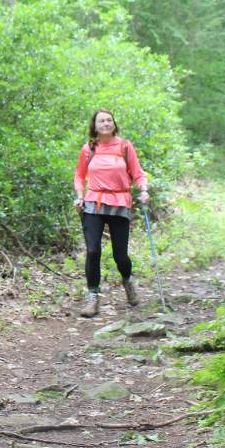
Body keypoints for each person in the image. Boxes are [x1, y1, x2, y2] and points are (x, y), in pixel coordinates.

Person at [73, 109, 149, 317]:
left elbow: (138, 173)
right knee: (93, 250)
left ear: (114, 124)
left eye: (109, 120)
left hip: (120, 202)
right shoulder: (88, 149)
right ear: (95, 126)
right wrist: (79, 196)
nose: (106, 123)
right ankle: (92, 297)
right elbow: (79, 176)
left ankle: (128, 281)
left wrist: (144, 190)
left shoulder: (125, 146)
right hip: (93, 203)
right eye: (101, 121)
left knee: (120, 254)